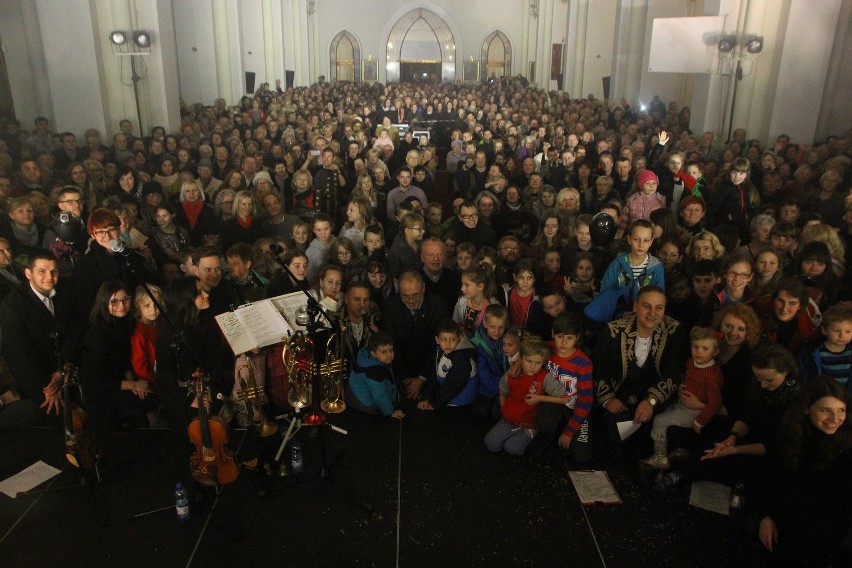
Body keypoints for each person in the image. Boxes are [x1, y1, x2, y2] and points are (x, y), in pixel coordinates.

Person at [754, 376, 851, 566]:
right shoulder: (790, 437)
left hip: (826, 533)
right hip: (788, 521)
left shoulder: (847, 447)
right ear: (806, 409)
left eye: (841, 410)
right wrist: (766, 515)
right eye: (825, 410)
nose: (835, 419)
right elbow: (772, 478)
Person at [594, 286, 688, 450]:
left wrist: (651, 401)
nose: (653, 313)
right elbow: (598, 367)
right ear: (635, 306)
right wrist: (608, 398)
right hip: (621, 395)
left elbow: (674, 372)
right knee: (610, 434)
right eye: (647, 306)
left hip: (655, 398)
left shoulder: (674, 330)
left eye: (659, 307)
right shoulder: (613, 331)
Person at [0, 250, 80, 420]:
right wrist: (48, 389)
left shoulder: (67, 290)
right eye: (41, 271)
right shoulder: (12, 306)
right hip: (37, 382)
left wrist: (61, 371)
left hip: (67, 368)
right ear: (28, 273)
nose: (49, 277)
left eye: (54, 271)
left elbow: (75, 331)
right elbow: (19, 355)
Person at [80, 279, 158, 435]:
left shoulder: (125, 326)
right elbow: (96, 379)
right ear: (104, 303)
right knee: (152, 398)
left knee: (151, 395)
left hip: (121, 382)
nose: (121, 306)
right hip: (103, 393)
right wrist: (133, 385)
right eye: (114, 302)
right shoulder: (98, 334)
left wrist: (135, 382)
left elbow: (124, 362)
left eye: (125, 300)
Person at [642, 327, 723, 470]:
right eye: (695, 347)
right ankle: (674, 450)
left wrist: (699, 422)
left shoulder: (711, 376)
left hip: (695, 412)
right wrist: (681, 387)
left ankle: (660, 457)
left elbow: (715, 403)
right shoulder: (691, 362)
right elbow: (688, 379)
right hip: (682, 402)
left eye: (705, 349)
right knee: (661, 412)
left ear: (715, 352)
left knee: (660, 421)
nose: (699, 351)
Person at [483, 336, 567, 456]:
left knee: (511, 449)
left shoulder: (545, 377)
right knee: (490, 444)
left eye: (538, 363)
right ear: (521, 358)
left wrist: (540, 398)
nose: (533, 366)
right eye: (529, 361)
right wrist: (504, 409)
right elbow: (503, 391)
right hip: (509, 419)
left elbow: (564, 398)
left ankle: (530, 433)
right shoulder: (512, 372)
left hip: (529, 423)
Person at [532, 314, 593, 460]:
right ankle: (552, 431)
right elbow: (529, 358)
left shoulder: (583, 363)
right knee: (542, 434)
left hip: (575, 407)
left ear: (577, 338)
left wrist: (569, 431)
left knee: (582, 456)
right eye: (560, 336)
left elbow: (585, 400)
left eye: (570, 338)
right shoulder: (547, 349)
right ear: (553, 333)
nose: (564, 343)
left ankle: (566, 428)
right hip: (553, 403)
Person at [382, 271, 447, 401]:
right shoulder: (390, 306)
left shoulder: (438, 306)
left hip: (430, 371)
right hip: (399, 371)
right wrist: (406, 379)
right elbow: (391, 343)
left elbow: (438, 344)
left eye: (415, 295)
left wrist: (422, 378)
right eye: (405, 296)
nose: (410, 300)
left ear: (423, 288)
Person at [585, 219, 664, 324]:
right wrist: (620, 313)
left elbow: (659, 299)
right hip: (618, 318)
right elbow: (606, 294)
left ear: (651, 241)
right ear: (629, 239)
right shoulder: (617, 264)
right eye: (636, 239)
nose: (641, 244)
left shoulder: (656, 267)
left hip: (646, 318)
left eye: (645, 240)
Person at [416, 319, 478, 410]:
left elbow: (452, 387)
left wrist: (434, 404)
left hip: (460, 404)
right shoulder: (440, 351)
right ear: (437, 340)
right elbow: (435, 376)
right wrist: (427, 398)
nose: (447, 344)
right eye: (443, 339)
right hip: (446, 399)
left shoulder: (463, 359)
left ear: (459, 339)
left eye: (452, 339)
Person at [346, 331, 404, 419]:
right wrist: (390, 412)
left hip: (355, 393)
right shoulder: (374, 373)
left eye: (391, 350)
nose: (389, 355)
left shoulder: (366, 356)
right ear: (373, 353)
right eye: (384, 352)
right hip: (365, 403)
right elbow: (380, 395)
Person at [798, 303, 852, 388]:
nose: (842, 335)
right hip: (823, 393)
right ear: (824, 330)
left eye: (848, 331)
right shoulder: (814, 352)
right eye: (836, 330)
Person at [470, 304, 509, 422]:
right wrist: (501, 387)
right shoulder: (479, 344)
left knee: (497, 413)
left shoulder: (509, 340)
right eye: (492, 327)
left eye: (501, 327)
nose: (497, 331)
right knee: (480, 413)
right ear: (485, 324)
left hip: (507, 385)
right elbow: (483, 373)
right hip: (488, 385)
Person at [452, 264, 497, 337]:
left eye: (467, 285)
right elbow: (454, 324)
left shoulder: (494, 306)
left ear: (480, 286)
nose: (462, 288)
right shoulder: (461, 302)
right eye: (462, 284)